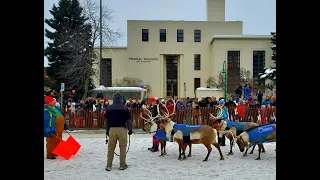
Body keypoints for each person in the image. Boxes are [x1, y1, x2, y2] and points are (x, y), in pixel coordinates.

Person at [105, 92, 133, 171]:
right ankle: (122, 165)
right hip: (122, 129)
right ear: (121, 99)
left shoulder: (109, 108)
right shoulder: (124, 108)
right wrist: (130, 129)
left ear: (113, 98)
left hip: (112, 129)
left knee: (111, 148)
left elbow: (106, 120)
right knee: (123, 147)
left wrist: (107, 130)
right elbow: (128, 120)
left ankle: (109, 165)